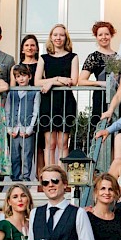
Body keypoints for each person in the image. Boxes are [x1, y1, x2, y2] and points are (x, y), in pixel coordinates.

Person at [35, 24, 79, 166]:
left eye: (61, 35)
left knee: (63, 142)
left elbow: (73, 81)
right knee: (50, 143)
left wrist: (51, 82)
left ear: (66, 38)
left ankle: (62, 176)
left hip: (66, 102)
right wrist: (57, 79)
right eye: (55, 35)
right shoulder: (44, 58)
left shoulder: (73, 57)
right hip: (48, 101)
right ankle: (49, 174)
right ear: (51, 37)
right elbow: (37, 81)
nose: (58, 37)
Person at [79, 20, 120, 131]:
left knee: (116, 130)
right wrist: (99, 83)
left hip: (116, 97)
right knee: (100, 129)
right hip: (100, 97)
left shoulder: (118, 57)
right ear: (96, 37)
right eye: (100, 35)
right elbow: (81, 81)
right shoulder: (93, 57)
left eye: (106, 34)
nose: (104, 37)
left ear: (111, 35)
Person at [5, 64, 40, 182]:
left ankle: (25, 178)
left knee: (26, 155)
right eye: (18, 76)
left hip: (27, 129)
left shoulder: (34, 92)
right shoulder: (12, 93)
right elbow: (8, 111)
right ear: (15, 78)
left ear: (29, 77)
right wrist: (9, 129)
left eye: (24, 75)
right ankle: (15, 178)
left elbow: (35, 111)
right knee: (14, 155)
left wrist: (30, 129)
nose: (21, 79)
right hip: (14, 129)